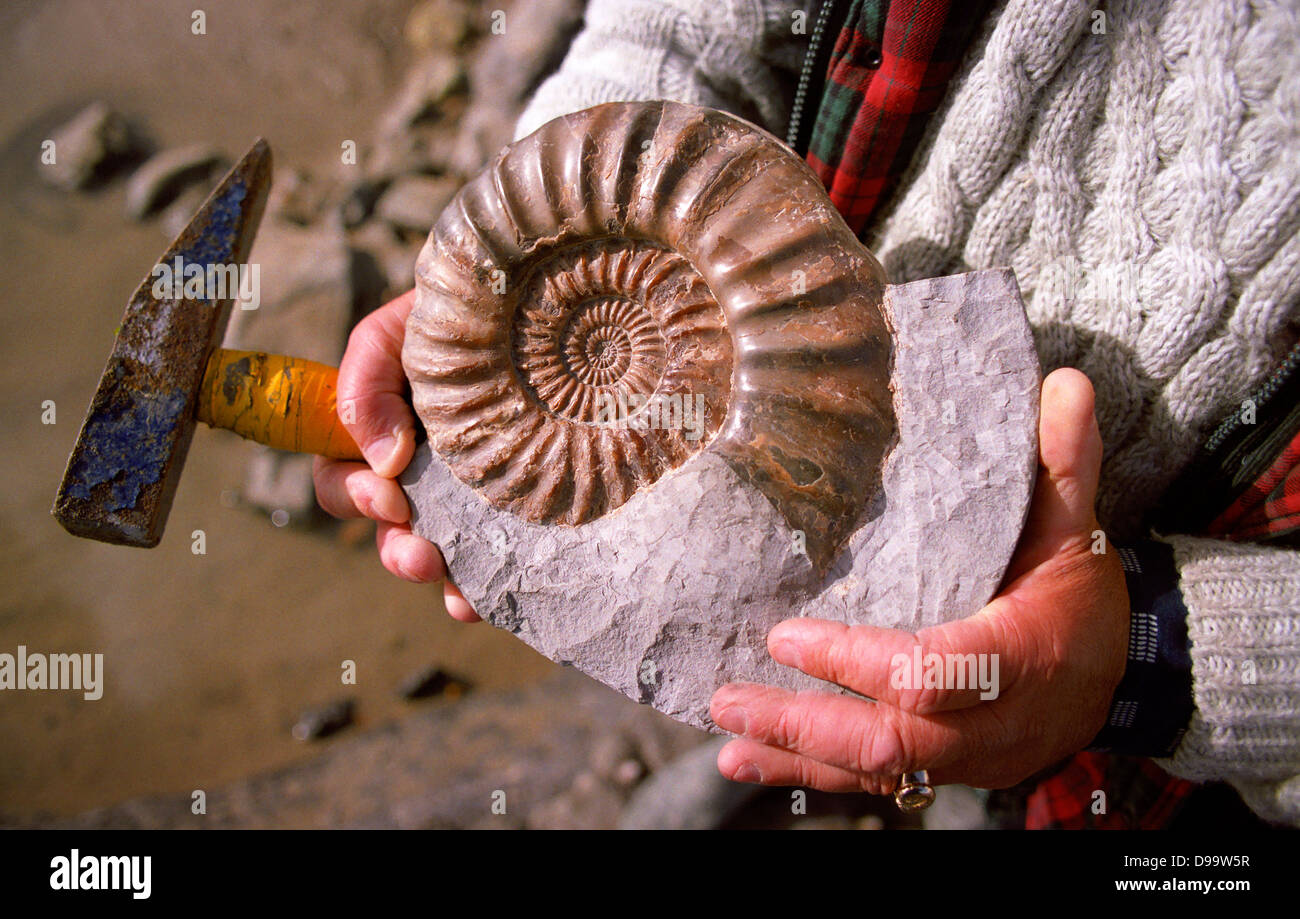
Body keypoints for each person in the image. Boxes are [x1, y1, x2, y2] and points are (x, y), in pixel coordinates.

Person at [315, 0, 1300, 826]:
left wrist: (1152, 655)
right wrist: (530, 234)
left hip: (1155, 769)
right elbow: (686, 25)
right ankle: (771, 728)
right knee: (795, 708)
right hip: (732, 427)